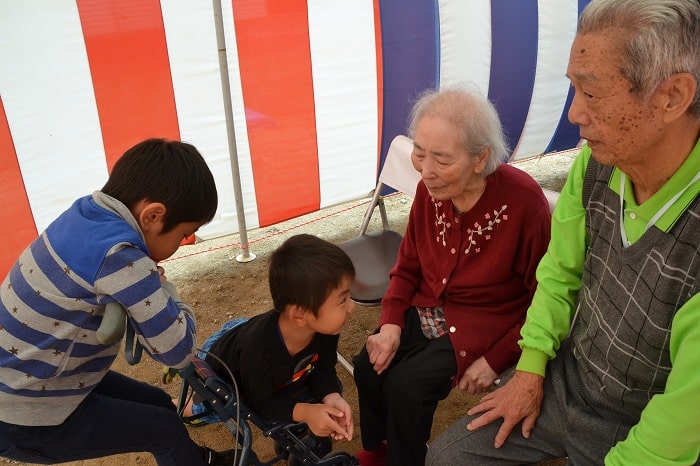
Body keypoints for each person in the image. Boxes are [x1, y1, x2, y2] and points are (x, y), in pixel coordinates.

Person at [426, 1, 700, 465]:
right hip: (567, 380)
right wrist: (530, 370)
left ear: (672, 96)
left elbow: (680, 422)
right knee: (447, 458)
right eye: (573, 90)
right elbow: (559, 272)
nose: (574, 114)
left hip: (641, 420)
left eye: (591, 94)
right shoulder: (595, 165)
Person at [0, 139, 234, 465]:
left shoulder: (86, 213)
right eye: (183, 235)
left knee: (158, 403)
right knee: (163, 428)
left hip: (28, 379)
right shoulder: (120, 256)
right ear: (153, 215)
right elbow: (177, 351)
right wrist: (167, 291)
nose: (181, 244)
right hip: (26, 416)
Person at [352, 85, 552, 466]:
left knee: (408, 386)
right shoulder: (433, 189)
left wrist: (497, 358)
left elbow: (544, 299)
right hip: (427, 305)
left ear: (480, 158)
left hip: (487, 321)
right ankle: (377, 451)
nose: (426, 171)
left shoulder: (524, 204)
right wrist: (391, 322)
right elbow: (408, 263)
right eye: (420, 153)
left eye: (441, 158)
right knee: (369, 365)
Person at [175, 233, 356, 457]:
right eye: (342, 300)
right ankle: (179, 407)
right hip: (229, 371)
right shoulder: (258, 351)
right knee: (208, 406)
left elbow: (323, 367)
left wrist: (331, 397)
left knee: (330, 389)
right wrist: (308, 413)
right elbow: (261, 403)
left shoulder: (324, 328)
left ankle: (298, 435)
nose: (351, 307)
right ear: (300, 315)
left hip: (275, 371)